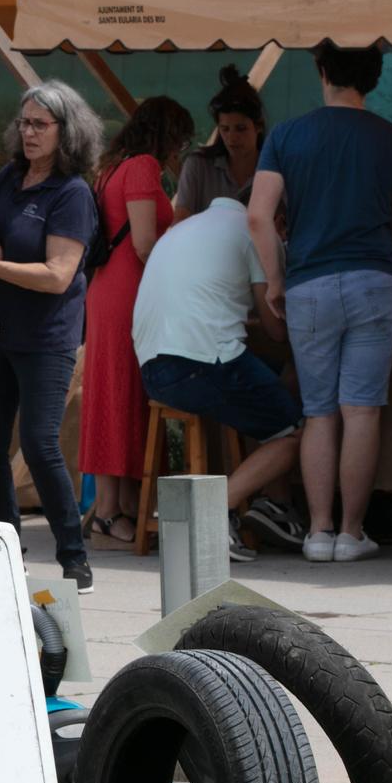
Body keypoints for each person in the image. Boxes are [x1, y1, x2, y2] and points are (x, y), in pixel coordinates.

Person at [248, 42, 392, 564]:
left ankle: (318, 531)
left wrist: (275, 280)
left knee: (319, 412)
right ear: (372, 77)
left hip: (308, 284)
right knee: (362, 411)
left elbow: (258, 216)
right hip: (373, 279)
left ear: (322, 70)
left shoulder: (286, 135)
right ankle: (352, 532)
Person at [0, 80, 103, 595]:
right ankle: (6, 549)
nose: (29, 132)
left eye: (41, 124)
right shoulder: (10, 178)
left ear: (68, 131)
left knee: (39, 444)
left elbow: (59, 275)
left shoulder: (73, 194)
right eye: (25, 122)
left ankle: (73, 557)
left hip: (46, 336)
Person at [133, 197, 303, 562]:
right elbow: (274, 329)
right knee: (292, 433)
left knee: (271, 393)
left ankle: (276, 506)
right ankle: (212, 513)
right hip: (202, 363)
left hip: (153, 369)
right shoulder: (255, 230)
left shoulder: (184, 229)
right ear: (277, 217)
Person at [80, 95, 195, 548]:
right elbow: (146, 242)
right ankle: (110, 510)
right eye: (180, 140)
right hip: (132, 292)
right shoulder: (145, 166)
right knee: (123, 396)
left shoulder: (112, 165)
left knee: (114, 396)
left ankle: (121, 504)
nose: (180, 151)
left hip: (108, 289)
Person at [173, 66, 266, 216]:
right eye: (225, 129)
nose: (232, 138)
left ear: (258, 126)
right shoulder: (198, 165)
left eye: (241, 128)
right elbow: (180, 221)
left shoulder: (275, 169)